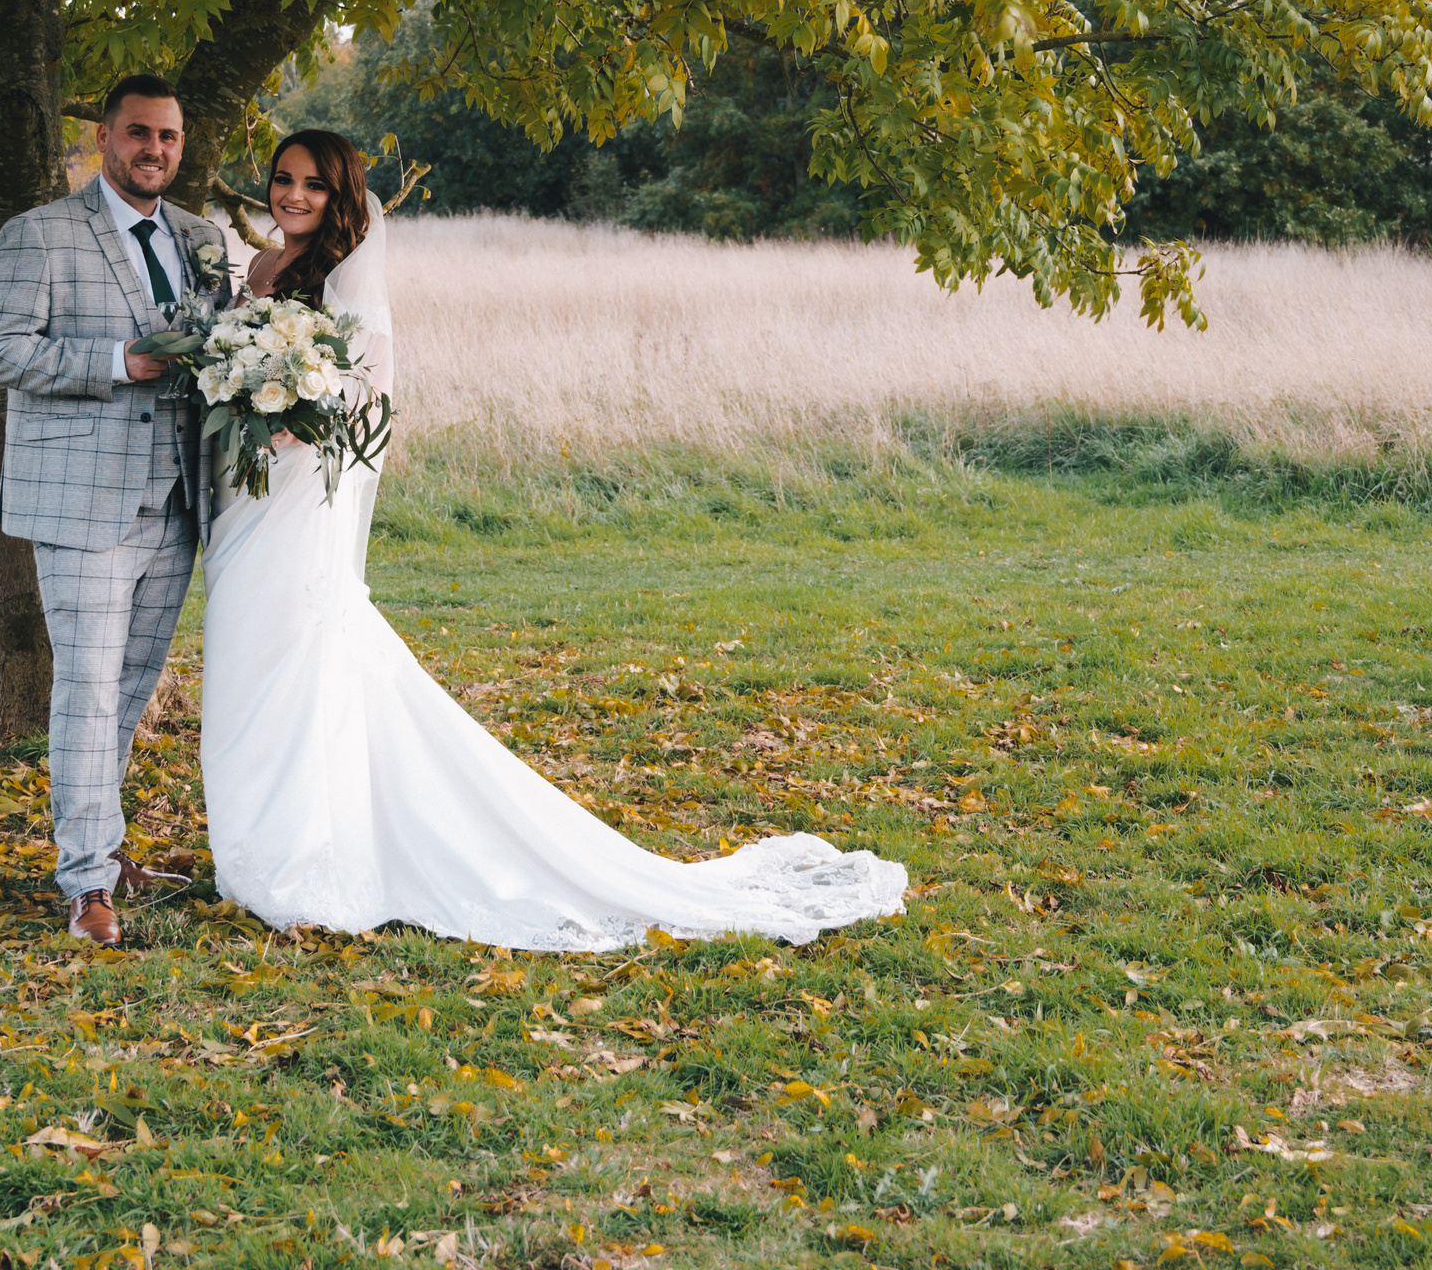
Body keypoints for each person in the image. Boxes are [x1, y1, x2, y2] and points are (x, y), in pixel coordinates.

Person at [200, 128, 907, 951]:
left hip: (300, 501)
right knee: (247, 654)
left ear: (341, 195)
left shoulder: (346, 274)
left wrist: (293, 426)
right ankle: (253, 844)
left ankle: (306, 854)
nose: (293, 196)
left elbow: (370, 390)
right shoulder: (258, 271)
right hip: (243, 497)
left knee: (299, 662)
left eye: (313, 186)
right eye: (284, 180)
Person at [0, 74, 236, 947]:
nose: (152, 149)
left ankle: (105, 848)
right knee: (84, 691)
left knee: (128, 687)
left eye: (167, 135)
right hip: (82, 504)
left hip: (179, 501)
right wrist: (119, 362)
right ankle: (85, 885)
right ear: (103, 138)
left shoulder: (205, 240)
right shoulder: (39, 236)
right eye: (136, 134)